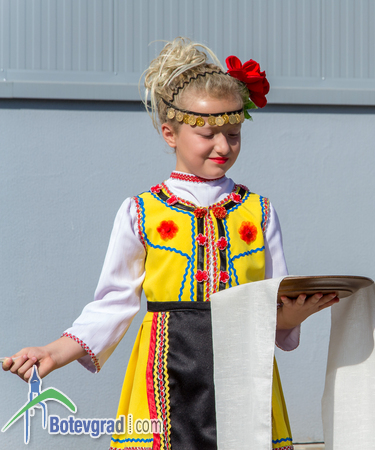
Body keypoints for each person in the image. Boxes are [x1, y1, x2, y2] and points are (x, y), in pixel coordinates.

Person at [2, 37, 338, 450]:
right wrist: (54, 353)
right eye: (208, 133)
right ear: (170, 133)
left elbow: (276, 303)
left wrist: (290, 317)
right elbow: (114, 302)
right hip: (166, 370)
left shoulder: (259, 211)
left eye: (233, 134)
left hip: (245, 367)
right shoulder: (141, 212)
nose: (223, 146)